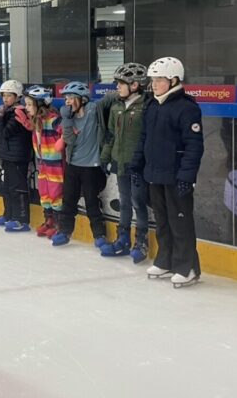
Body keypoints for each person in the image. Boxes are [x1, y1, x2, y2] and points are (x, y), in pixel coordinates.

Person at [127, 57, 204, 287]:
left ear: (174, 80)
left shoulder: (187, 108)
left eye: (159, 80)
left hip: (175, 176)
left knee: (180, 223)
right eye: (153, 80)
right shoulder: (152, 105)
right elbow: (144, 138)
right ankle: (166, 260)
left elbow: (194, 146)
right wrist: (137, 165)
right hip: (154, 174)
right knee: (162, 221)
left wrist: (186, 176)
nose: (154, 85)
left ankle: (188, 267)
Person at [98, 62, 152, 264]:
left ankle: (141, 241)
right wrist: (105, 157)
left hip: (137, 165)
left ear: (135, 85)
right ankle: (123, 239)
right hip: (120, 163)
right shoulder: (117, 107)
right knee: (124, 201)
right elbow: (111, 135)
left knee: (138, 202)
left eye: (121, 83)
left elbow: (149, 138)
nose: (117, 87)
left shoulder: (146, 107)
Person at [51, 81, 109, 247]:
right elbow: (69, 140)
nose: (67, 102)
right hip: (73, 165)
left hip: (92, 166)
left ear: (82, 99)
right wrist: (67, 120)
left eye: (71, 98)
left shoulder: (93, 110)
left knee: (92, 202)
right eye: (66, 98)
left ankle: (99, 235)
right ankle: (65, 231)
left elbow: (110, 99)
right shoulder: (68, 118)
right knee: (68, 200)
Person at [23, 85, 63, 238]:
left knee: (55, 193)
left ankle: (59, 224)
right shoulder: (37, 120)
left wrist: (64, 139)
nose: (26, 108)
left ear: (40, 104)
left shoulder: (53, 119)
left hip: (55, 165)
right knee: (44, 192)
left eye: (29, 104)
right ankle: (49, 220)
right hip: (43, 163)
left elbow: (66, 131)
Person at [0, 79, 34, 232]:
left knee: (18, 188)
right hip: (8, 156)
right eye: (3, 96)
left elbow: (3, 133)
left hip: (17, 157)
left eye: (9, 95)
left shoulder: (19, 112)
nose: (5, 99)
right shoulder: (8, 111)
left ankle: (22, 220)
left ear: (17, 97)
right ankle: (9, 215)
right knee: (7, 188)